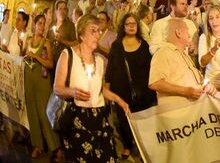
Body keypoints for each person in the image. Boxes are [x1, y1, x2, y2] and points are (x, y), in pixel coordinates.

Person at [53, 14, 129, 162]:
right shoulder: (68, 55)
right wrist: (73, 92)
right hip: (78, 120)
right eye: (93, 31)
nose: (98, 35)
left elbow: (100, 90)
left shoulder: (99, 61)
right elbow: (57, 88)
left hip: (99, 118)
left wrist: (119, 100)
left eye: (99, 31)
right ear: (81, 35)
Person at [105, 13, 156, 160]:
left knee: (141, 121)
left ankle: (140, 146)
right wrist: (107, 90)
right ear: (123, 26)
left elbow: (150, 67)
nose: (132, 26)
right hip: (121, 91)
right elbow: (110, 70)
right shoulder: (116, 46)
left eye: (134, 24)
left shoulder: (144, 45)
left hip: (143, 92)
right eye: (128, 24)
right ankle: (127, 145)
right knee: (123, 121)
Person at [149, 19, 216, 105]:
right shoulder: (163, 53)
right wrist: (186, 92)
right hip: (177, 113)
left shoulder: (185, 55)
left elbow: (197, 79)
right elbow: (155, 83)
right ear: (178, 33)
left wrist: (207, 86)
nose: (189, 34)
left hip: (192, 112)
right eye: (187, 31)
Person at [24, 14, 60, 158]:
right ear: (34, 25)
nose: (42, 26)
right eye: (39, 23)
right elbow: (23, 57)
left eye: (44, 23)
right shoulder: (27, 40)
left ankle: (55, 146)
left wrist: (37, 57)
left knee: (45, 114)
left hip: (42, 81)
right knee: (32, 113)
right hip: (29, 79)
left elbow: (50, 64)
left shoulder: (46, 43)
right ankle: (38, 145)